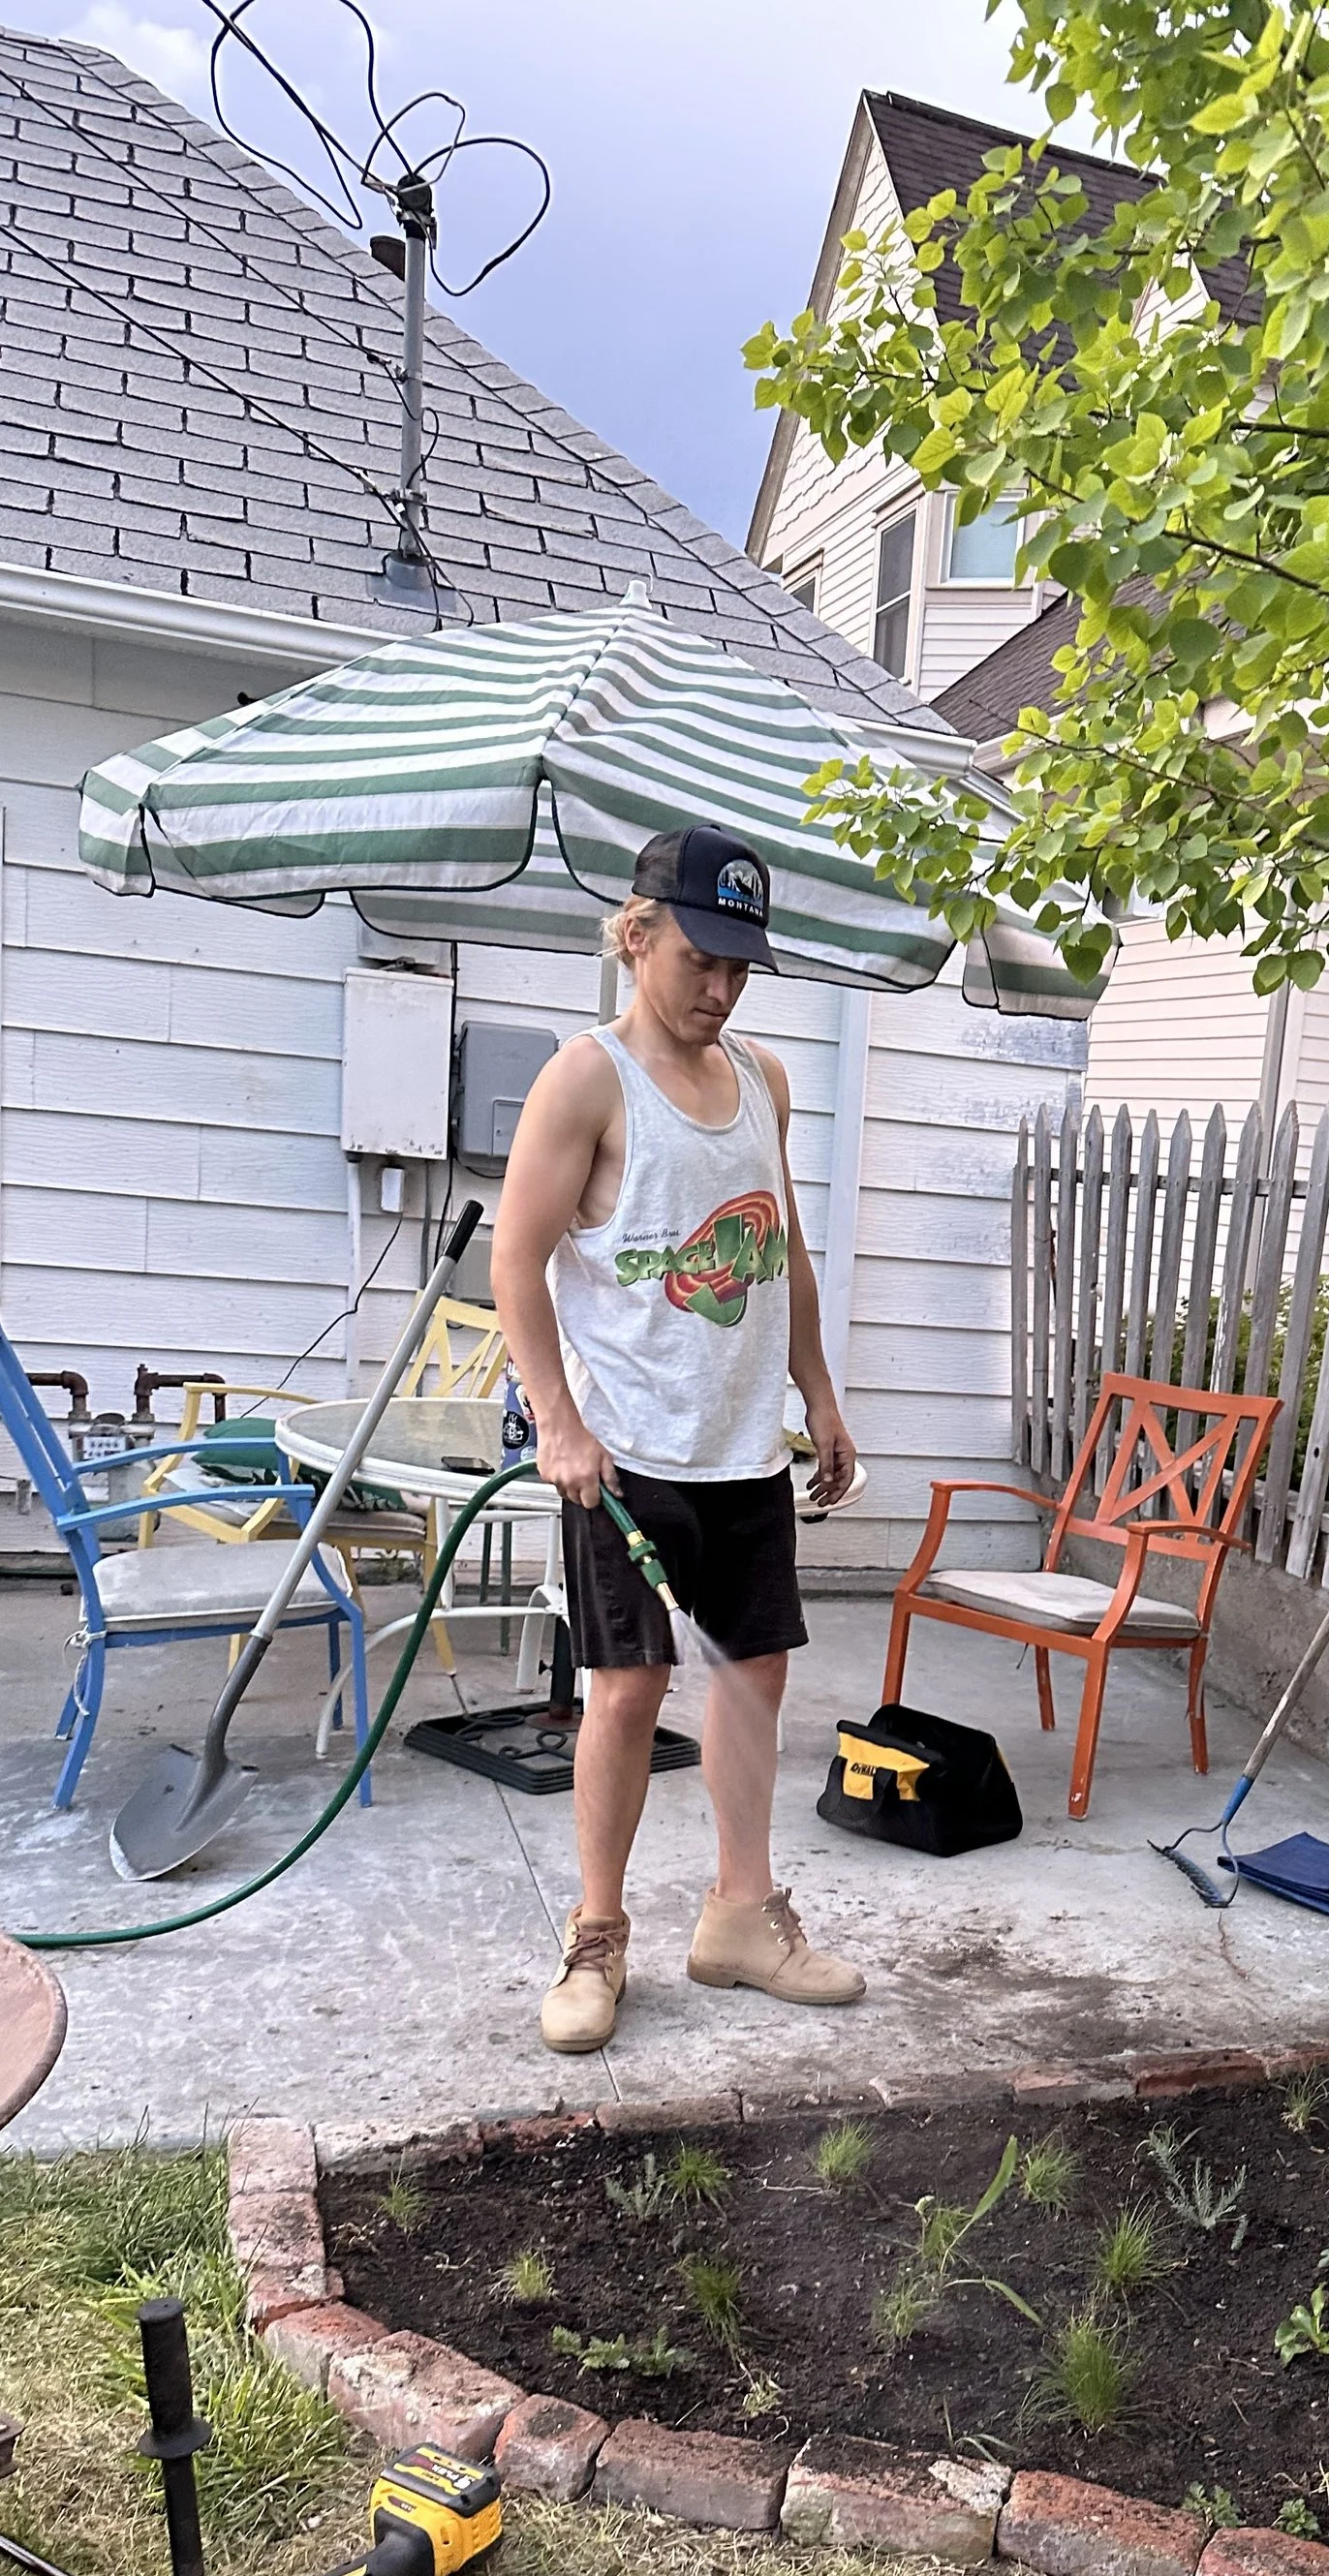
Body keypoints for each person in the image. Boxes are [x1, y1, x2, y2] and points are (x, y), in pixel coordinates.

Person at [489, 824, 863, 2055]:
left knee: (755, 1677)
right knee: (629, 1693)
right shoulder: (585, 1079)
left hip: (744, 1446)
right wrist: (560, 1422)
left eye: (740, 967)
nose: (720, 988)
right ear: (637, 934)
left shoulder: (763, 1079)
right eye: (701, 959)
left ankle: (740, 1920)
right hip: (626, 1452)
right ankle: (597, 1938)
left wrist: (816, 1388)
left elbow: (782, 1244)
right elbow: (516, 1262)